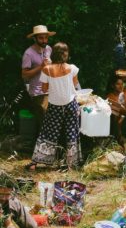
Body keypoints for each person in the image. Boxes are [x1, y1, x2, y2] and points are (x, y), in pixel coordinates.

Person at [27, 42, 81, 170]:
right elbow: (75, 83)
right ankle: (71, 164)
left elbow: (44, 88)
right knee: (71, 132)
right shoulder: (73, 68)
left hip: (55, 106)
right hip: (70, 104)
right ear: (66, 54)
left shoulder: (47, 69)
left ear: (53, 54)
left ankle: (37, 162)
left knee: (48, 133)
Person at [22, 25, 55, 131]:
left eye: (46, 37)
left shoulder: (49, 49)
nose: (44, 40)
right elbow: (24, 75)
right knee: (48, 117)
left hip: (51, 89)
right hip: (38, 93)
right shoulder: (28, 53)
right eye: (41, 38)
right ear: (34, 38)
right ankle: (46, 143)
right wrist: (41, 66)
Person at [105, 74, 126, 148]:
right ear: (112, 85)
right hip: (116, 122)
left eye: (122, 84)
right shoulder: (110, 96)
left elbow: (125, 110)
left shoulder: (124, 95)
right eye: (118, 84)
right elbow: (123, 110)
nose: (121, 86)